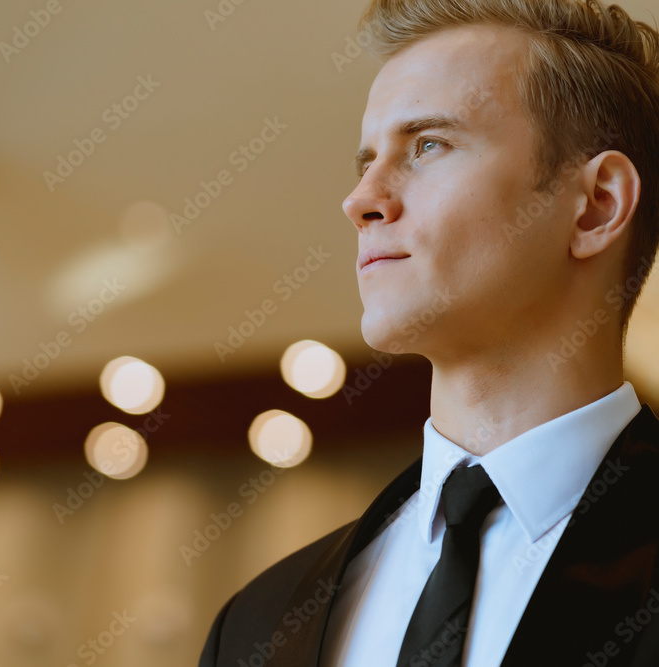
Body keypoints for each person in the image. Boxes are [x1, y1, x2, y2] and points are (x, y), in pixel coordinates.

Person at [198, 0, 659, 665]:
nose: (361, 200)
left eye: (428, 144)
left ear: (596, 205)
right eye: (366, 161)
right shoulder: (255, 622)